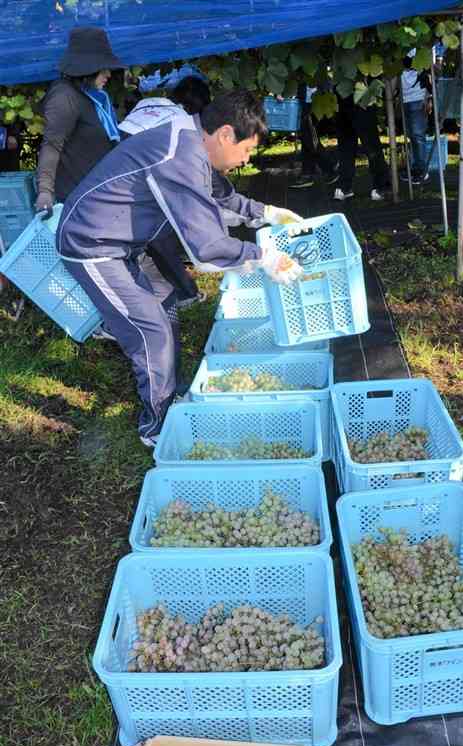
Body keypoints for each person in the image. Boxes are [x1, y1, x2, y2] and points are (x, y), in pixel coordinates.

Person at [55, 90, 303, 446]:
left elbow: (221, 198)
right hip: (91, 244)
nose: (245, 160)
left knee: (166, 306)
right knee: (150, 330)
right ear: (226, 134)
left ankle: (171, 395)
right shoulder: (180, 154)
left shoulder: (190, 143)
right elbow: (207, 249)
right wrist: (265, 259)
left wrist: (265, 213)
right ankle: (157, 428)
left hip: (121, 243)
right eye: (247, 150)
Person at [119, 67, 213, 308]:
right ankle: (185, 293)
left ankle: (174, 287)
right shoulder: (181, 121)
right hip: (136, 180)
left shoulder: (150, 104)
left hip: (117, 169)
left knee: (151, 238)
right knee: (160, 235)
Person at [35, 26, 124, 213]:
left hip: (100, 197)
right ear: (88, 68)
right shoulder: (65, 96)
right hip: (77, 204)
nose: (108, 74)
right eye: (103, 68)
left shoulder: (97, 98)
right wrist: (45, 191)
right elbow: (52, 144)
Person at [333, 91, 390, 202]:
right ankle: (345, 186)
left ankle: (381, 185)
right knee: (345, 144)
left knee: (371, 143)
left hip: (363, 95)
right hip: (342, 97)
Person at [289, 83, 338, 189]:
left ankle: (330, 168)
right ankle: (307, 174)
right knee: (307, 139)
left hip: (314, 103)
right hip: (306, 102)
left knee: (310, 139)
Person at [400, 51, 431, 185]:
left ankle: (421, 171)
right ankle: (415, 169)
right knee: (412, 136)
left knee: (418, 136)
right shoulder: (397, 46)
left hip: (418, 97)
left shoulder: (420, 48)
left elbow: (430, 73)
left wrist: (429, 98)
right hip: (404, 97)